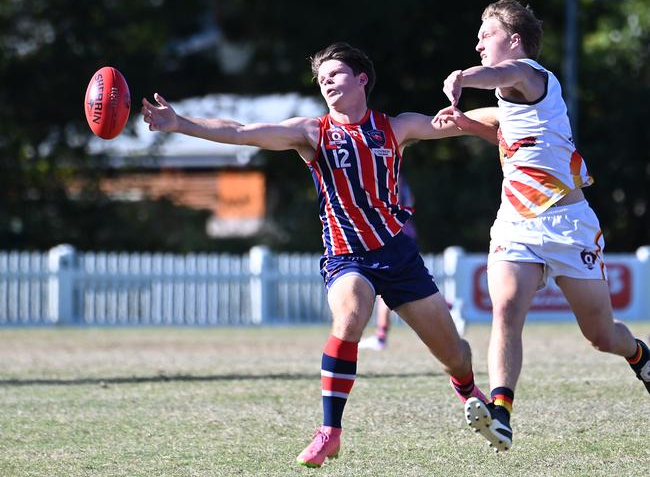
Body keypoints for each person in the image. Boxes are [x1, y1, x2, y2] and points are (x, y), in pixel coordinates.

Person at [142, 42, 497, 468]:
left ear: (361, 79)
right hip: (345, 256)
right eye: (321, 79)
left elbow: (460, 124)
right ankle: (329, 431)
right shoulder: (313, 132)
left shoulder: (395, 127)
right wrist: (180, 123)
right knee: (350, 315)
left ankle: (468, 390)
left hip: (399, 257)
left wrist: (520, 112)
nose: (325, 83)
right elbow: (241, 131)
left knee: (454, 354)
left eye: (334, 75)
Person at [434, 0, 650, 453]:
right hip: (516, 223)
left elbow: (498, 75)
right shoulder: (512, 101)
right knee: (506, 311)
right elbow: (508, 136)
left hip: (568, 225)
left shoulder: (530, 74)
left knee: (601, 335)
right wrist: (455, 126)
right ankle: (501, 413)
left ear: (513, 41)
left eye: (485, 34)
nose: (477, 45)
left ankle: (641, 356)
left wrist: (463, 78)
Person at [359, 175, 417, 351]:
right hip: (402, 230)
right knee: (409, 285)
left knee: (386, 286)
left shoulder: (391, 174)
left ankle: (381, 336)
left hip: (393, 232)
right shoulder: (398, 176)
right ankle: (451, 307)